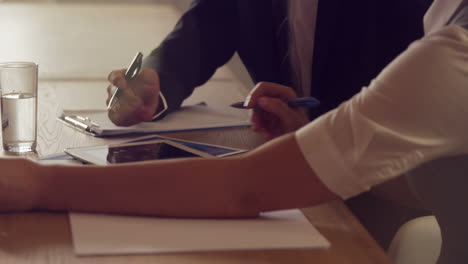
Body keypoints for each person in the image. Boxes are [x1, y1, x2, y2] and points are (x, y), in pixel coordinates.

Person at [1, 1, 467, 262]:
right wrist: (311, 136)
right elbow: (217, 16)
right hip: (351, 169)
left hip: (362, 204)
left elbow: (244, 187)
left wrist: (41, 181)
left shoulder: (450, 49)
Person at [106, 0, 430, 128]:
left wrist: (310, 128)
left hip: (382, 186)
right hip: (280, 165)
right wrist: (156, 82)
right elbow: (205, 28)